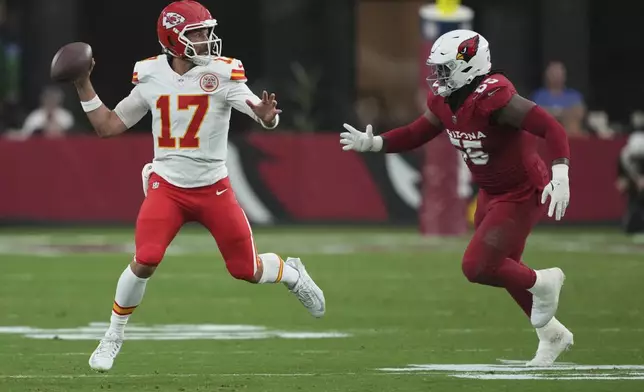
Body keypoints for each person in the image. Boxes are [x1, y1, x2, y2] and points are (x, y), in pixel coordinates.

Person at [68, 0, 325, 372]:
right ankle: (112, 336)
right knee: (146, 259)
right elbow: (108, 126)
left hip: (213, 188)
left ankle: (293, 274)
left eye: (207, 32)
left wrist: (266, 118)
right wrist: (82, 83)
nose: (207, 40)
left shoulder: (223, 73)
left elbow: (258, 110)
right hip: (167, 185)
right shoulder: (152, 75)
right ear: (173, 40)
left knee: (246, 270)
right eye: (198, 34)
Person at [340, 30, 572, 367]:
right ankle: (551, 333)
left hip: (521, 192)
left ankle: (546, 281)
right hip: (490, 192)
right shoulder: (447, 99)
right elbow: (419, 131)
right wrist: (377, 144)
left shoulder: (495, 97)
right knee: (505, 270)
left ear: (470, 66)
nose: (438, 77)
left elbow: (552, 128)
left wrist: (561, 172)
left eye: (445, 68)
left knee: (477, 266)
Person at [531, 61, 586, 138]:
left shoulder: (573, 95)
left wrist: (554, 113)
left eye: (559, 73)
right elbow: (537, 114)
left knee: (573, 123)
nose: (557, 76)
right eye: (553, 73)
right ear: (547, 75)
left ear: (564, 76)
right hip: (546, 130)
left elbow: (579, 113)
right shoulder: (539, 95)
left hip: (570, 132)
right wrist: (564, 113)